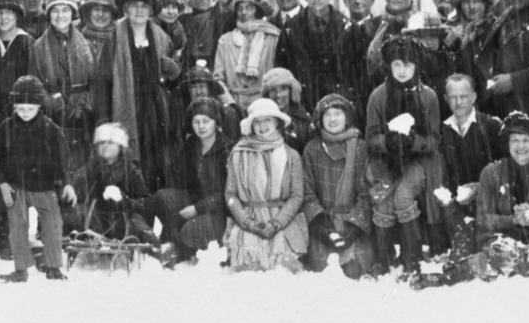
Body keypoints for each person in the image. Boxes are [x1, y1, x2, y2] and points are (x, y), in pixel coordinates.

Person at [89, 0, 182, 191]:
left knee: (156, 163)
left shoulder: (162, 38)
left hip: (155, 113)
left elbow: (172, 80)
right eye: (134, 5)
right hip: (126, 108)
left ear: (151, 11)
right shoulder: (114, 39)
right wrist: (103, 120)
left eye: (144, 6)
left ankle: (153, 200)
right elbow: (103, 83)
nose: (139, 10)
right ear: (126, 9)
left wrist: (172, 70)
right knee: (129, 165)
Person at [363, 34, 442, 276]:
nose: (401, 70)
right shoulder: (378, 96)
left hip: (419, 162)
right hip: (385, 161)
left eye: (407, 64)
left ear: (416, 66)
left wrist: (413, 142)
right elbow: (371, 137)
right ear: (389, 66)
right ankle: (384, 257)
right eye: (396, 64)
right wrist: (387, 142)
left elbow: (434, 139)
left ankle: (412, 256)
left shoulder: (428, 96)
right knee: (383, 201)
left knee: (403, 195)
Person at [0, 74, 72, 281]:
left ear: (39, 107)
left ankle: (53, 267)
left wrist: (67, 183)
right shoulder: (6, 128)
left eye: (30, 109)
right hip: (17, 186)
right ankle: (21, 269)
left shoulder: (50, 128)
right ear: (14, 106)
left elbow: (63, 158)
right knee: (17, 227)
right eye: (21, 108)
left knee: (52, 226)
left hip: (45, 186)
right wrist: (2, 183)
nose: (25, 113)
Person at [471, 111, 529, 280]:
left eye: (526, 140)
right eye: (515, 140)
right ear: (507, 144)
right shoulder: (490, 173)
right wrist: (512, 220)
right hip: (497, 239)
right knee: (503, 251)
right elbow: (483, 220)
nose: (521, 146)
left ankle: (501, 265)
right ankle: (507, 263)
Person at [224, 97, 307, 272]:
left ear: (277, 122)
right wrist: (248, 223)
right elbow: (231, 194)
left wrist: (277, 223)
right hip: (249, 218)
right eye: (257, 121)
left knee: (284, 269)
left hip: (282, 219)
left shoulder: (291, 155)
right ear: (251, 126)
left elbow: (296, 195)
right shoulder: (238, 154)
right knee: (249, 269)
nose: (262, 126)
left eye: (267, 120)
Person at [300, 92, 373, 277]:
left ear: (347, 117)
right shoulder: (312, 149)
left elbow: (366, 192)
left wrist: (354, 226)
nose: (333, 119)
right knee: (320, 271)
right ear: (320, 120)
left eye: (338, 113)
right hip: (323, 222)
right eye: (327, 114)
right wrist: (319, 226)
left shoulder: (360, 147)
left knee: (354, 272)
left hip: (351, 222)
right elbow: (307, 192)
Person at [150, 97, 229, 265]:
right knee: (162, 197)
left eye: (206, 121)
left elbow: (227, 195)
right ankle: (173, 244)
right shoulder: (192, 145)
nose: (201, 126)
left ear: (216, 122)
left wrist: (198, 208)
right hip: (195, 200)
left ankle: (191, 248)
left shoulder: (227, 150)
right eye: (196, 121)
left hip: (218, 212)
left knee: (190, 230)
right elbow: (177, 177)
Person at [432, 73, 503, 261]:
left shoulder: (491, 126)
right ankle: (462, 239)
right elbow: (441, 174)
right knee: (462, 256)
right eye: (453, 97)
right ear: (446, 99)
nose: (458, 102)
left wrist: (482, 187)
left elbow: (506, 170)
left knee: (492, 252)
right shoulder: (441, 133)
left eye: (463, 96)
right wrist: (446, 193)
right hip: (457, 206)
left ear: (474, 96)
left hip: (489, 201)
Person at [28, 0, 94, 143]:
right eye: (55, 11)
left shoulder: (86, 45)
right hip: (51, 116)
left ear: (73, 13)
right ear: (48, 14)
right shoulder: (38, 47)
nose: (60, 16)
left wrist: (83, 101)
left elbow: (95, 81)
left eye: (65, 10)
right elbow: (34, 84)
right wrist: (54, 103)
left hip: (83, 116)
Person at [70, 122, 152, 243]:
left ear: (120, 146)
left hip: (124, 220)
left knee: (141, 228)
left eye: (110, 142)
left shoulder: (130, 170)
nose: (105, 146)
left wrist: (123, 200)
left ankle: (152, 246)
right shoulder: (89, 169)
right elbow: (73, 191)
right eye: (102, 142)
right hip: (95, 220)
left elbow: (145, 203)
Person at [281, 0, 346, 108]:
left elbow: (355, 75)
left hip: (336, 105)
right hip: (301, 103)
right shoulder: (290, 29)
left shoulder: (346, 27)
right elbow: (282, 71)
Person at [214, 0, 281, 113]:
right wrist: (231, 105)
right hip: (233, 107)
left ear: (257, 10)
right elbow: (218, 80)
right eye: (240, 8)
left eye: (249, 8)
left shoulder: (272, 38)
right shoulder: (225, 40)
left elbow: (277, 78)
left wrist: (265, 103)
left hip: (264, 106)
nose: (243, 12)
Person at [0, 0, 35, 112]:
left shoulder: (27, 43)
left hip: (19, 109)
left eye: (8, 12)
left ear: (16, 16)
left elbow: (31, 80)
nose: (3, 17)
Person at [261, 67, 311, 150]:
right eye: (273, 90)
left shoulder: (305, 121)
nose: (278, 95)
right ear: (267, 94)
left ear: (292, 91)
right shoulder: (259, 121)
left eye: (283, 89)